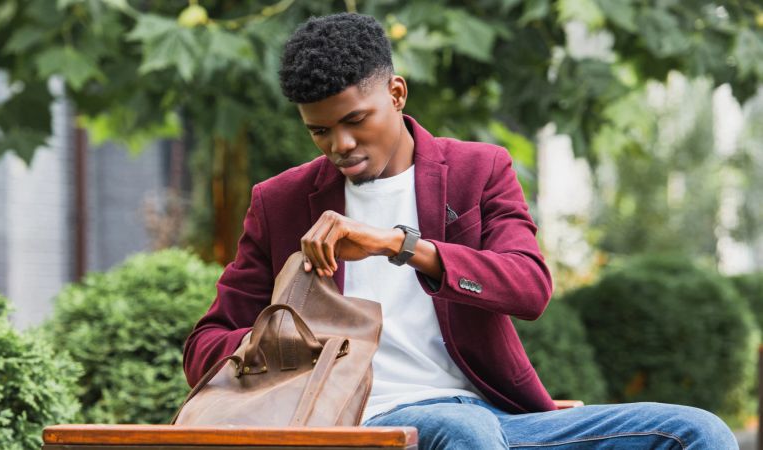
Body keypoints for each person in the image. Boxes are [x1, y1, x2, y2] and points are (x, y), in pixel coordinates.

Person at [183, 12, 737, 449]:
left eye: (356, 121)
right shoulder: (280, 203)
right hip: (364, 424)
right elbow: (204, 348)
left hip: (497, 418)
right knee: (462, 431)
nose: (340, 146)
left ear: (396, 94)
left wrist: (401, 245)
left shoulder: (479, 169)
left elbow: (528, 287)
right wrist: (298, 342)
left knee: (699, 431)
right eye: (320, 131)